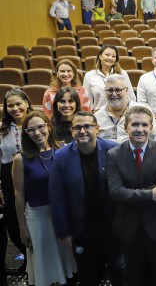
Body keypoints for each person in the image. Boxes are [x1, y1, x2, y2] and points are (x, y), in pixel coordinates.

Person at [49, 111, 127, 286]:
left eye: (87, 126)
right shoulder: (61, 157)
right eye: (77, 127)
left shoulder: (114, 150)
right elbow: (57, 197)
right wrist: (63, 231)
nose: (82, 131)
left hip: (112, 226)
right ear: (71, 131)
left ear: (97, 129)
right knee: (87, 274)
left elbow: (125, 189)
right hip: (81, 228)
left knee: (119, 270)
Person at [107, 106, 156, 286]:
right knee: (135, 279)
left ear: (151, 128)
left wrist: (131, 193)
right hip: (129, 230)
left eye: (144, 124)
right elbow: (115, 192)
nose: (140, 129)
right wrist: (151, 194)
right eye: (135, 124)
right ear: (125, 127)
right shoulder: (114, 155)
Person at [12, 111, 76, 285]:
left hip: (61, 214)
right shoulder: (20, 158)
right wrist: (22, 227)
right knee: (44, 262)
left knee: (64, 262)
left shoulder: (62, 150)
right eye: (30, 130)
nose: (37, 132)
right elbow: (19, 195)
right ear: (25, 133)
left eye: (40, 127)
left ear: (49, 126)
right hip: (38, 216)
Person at [0, 89, 32, 277]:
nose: (15, 108)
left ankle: (38, 260)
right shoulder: (2, 129)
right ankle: (27, 257)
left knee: (36, 218)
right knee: (13, 223)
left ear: (27, 102)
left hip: (34, 174)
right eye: (10, 105)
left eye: (18, 103)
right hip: (8, 175)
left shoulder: (39, 123)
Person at [95, 74, 156, 143]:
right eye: (110, 90)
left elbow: (154, 136)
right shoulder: (97, 116)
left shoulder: (143, 112)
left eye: (118, 90)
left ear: (126, 90)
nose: (114, 94)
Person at [83, 45, 136, 111]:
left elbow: (131, 96)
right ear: (100, 56)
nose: (110, 58)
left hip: (120, 113)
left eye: (113, 56)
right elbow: (87, 100)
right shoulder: (89, 75)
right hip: (98, 113)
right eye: (107, 55)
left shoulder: (122, 73)